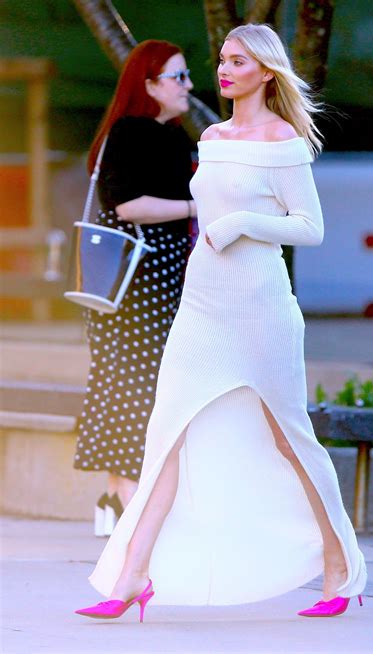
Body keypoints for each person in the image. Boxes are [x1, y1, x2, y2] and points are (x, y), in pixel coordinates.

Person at [75, 23, 367, 619]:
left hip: (259, 305)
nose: (224, 70)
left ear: (265, 71)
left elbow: (310, 228)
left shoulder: (283, 139)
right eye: (223, 59)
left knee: (290, 438)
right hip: (201, 308)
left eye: (239, 61)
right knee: (167, 435)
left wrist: (241, 225)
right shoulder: (209, 137)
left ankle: (340, 567)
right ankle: (131, 576)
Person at [73, 40, 197, 536]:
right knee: (134, 390)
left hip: (154, 283)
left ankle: (114, 496)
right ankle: (128, 503)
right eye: (178, 77)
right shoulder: (132, 133)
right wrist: (195, 209)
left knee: (130, 389)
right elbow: (128, 207)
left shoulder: (172, 136)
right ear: (148, 85)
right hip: (132, 286)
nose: (188, 86)